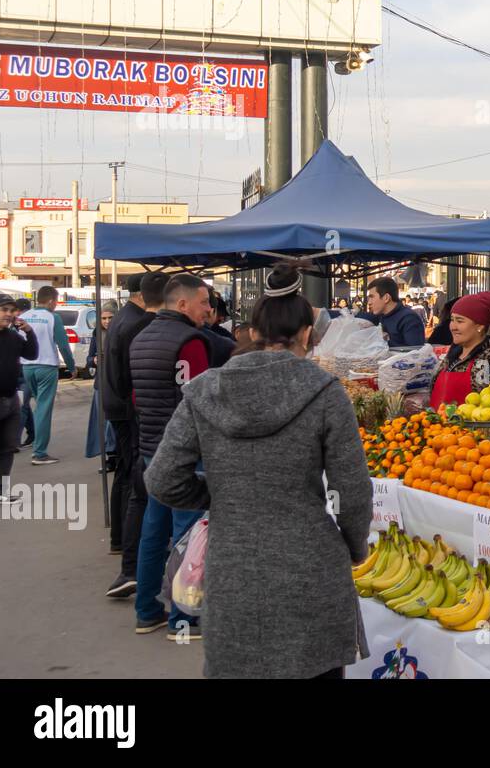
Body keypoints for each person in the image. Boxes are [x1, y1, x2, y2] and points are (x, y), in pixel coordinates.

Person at [146, 264, 372, 678]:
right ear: (306, 334)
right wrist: (356, 548)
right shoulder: (324, 391)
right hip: (310, 566)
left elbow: (161, 479)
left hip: (233, 568)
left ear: (254, 332)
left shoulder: (204, 390)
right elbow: (353, 490)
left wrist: (220, 493)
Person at [128, 273, 213, 637]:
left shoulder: (141, 337)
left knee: (153, 530)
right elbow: (200, 400)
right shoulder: (190, 341)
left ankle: (146, 609)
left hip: (150, 450)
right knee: (187, 534)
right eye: (204, 302)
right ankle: (184, 616)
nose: (208, 310)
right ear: (182, 304)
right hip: (184, 454)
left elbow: (136, 397)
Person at [103, 272, 167, 596]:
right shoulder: (136, 323)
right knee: (134, 484)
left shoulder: (124, 318)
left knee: (129, 480)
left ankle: (120, 545)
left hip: (121, 409)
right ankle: (130, 564)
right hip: (130, 413)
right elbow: (129, 378)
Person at [0, 294, 38, 506]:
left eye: (11, 310)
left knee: (7, 448)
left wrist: (29, 332)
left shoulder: (13, 337)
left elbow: (32, 354)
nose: (8, 314)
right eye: (3, 309)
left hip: (11, 399)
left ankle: (0, 492)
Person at [429, 292, 490, 408]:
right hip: (439, 425)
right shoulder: (452, 354)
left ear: (480, 326)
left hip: (474, 425)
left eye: (460, 321)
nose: (453, 327)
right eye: (452, 320)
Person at [20, 286, 76, 465]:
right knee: (43, 409)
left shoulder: (25, 316)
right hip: (47, 366)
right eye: (57, 301)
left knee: (38, 407)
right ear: (52, 300)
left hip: (27, 367)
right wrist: (71, 366)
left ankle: (37, 445)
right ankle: (39, 453)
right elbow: (63, 344)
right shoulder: (53, 317)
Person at [83, 304, 119, 465]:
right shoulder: (97, 333)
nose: (106, 321)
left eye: (110, 318)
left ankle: (116, 453)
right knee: (103, 422)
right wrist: (95, 360)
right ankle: (109, 455)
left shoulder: (122, 332)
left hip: (116, 382)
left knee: (114, 421)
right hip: (101, 382)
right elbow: (89, 359)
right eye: (103, 318)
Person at [359, 277, 426, 347]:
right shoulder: (380, 316)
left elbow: (416, 352)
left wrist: (385, 341)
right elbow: (359, 317)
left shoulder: (409, 319)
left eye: (372, 297)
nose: (369, 302)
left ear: (386, 298)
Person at [15, 299, 35, 447]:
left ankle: (13, 441)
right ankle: (32, 433)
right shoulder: (10, 326)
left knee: (22, 405)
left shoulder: (29, 324)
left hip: (28, 368)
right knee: (24, 405)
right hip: (17, 370)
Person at [202, 290, 237, 368]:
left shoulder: (184, 330)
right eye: (220, 315)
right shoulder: (223, 341)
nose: (221, 318)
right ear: (211, 311)